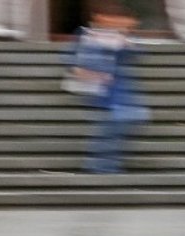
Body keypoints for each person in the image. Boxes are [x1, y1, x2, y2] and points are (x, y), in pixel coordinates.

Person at [63, 0, 149, 174]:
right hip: (102, 92)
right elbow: (73, 60)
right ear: (100, 18)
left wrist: (124, 40)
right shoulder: (86, 36)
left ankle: (103, 164)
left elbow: (137, 54)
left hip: (121, 90)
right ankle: (101, 165)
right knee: (112, 127)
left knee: (118, 126)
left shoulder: (121, 38)